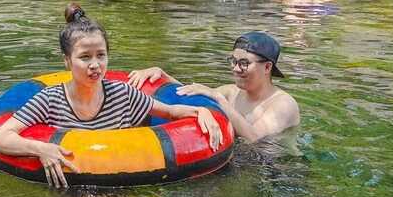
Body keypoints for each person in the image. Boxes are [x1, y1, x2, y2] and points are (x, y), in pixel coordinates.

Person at [0, 2, 224, 188]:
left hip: (122, 183)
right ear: (67, 61)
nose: (95, 65)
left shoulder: (122, 93)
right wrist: (41, 149)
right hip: (75, 187)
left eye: (101, 55)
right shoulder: (50, 99)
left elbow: (170, 112)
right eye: (85, 57)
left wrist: (200, 110)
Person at [128, 32, 300, 143]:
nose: (235, 68)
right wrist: (163, 76)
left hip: (276, 169)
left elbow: (254, 138)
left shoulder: (282, 103)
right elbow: (194, 97)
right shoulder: (232, 92)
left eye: (244, 63)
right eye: (233, 61)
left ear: (268, 67)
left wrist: (218, 99)